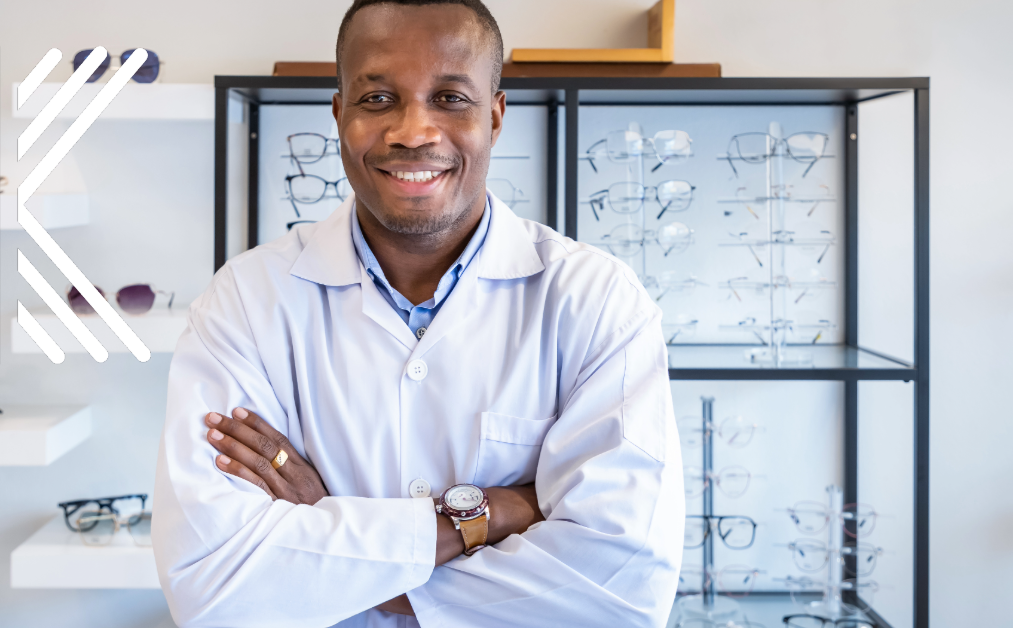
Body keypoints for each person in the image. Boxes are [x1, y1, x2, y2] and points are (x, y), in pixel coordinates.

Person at [152, 0, 684, 625]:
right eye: (377, 99)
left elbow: (621, 590)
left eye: (451, 98)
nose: (414, 131)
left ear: (495, 114)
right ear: (338, 114)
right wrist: (482, 517)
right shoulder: (244, 301)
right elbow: (212, 586)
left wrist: (334, 546)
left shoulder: (595, 299)